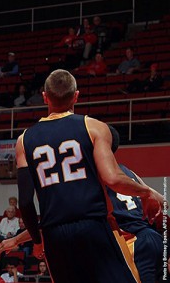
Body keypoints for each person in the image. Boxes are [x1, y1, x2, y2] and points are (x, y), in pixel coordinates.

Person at [10, 69, 164, 282]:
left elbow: (25, 202)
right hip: (94, 225)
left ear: (45, 97)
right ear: (76, 96)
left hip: (55, 234)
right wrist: (146, 192)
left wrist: (37, 240)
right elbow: (113, 179)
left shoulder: (23, 140)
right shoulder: (94, 127)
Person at [107, 125, 164, 283]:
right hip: (152, 237)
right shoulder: (127, 171)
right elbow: (162, 201)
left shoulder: (101, 174)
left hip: (133, 241)